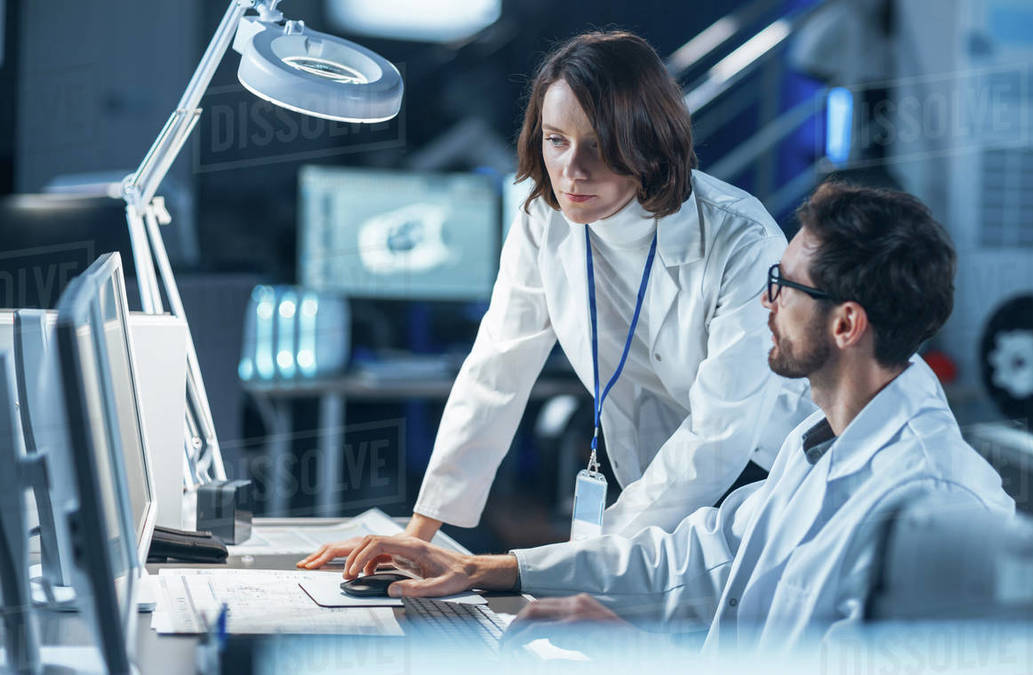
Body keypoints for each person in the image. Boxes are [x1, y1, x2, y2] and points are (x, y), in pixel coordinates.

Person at [328, 182, 1016, 651]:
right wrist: (492, 569)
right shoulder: (820, 450)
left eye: (781, 286)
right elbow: (693, 560)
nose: (763, 303)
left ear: (846, 323)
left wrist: (632, 648)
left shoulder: (939, 506)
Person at [300, 30, 812, 565]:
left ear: (649, 139)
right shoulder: (545, 217)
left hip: (759, 469)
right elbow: (498, 366)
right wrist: (421, 529)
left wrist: (575, 563)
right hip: (654, 472)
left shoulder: (742, 240)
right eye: (556, 140)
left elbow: (719, 434)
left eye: (598, 143)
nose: (571, 170)